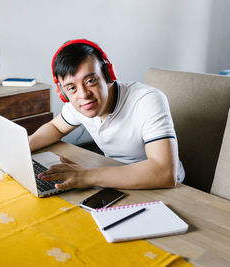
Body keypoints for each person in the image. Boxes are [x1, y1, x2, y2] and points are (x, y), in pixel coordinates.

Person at [29, 39, 185, 190]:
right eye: (71, 88)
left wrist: (86, 176)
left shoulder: (147, 100)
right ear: (63, 93)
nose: (83, 95)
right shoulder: (79, 104)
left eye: (90, 80)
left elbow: (163, 172)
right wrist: (26, 146)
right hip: (113, 178)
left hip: (165, 187)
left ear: (108, 74)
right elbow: (56, 127)